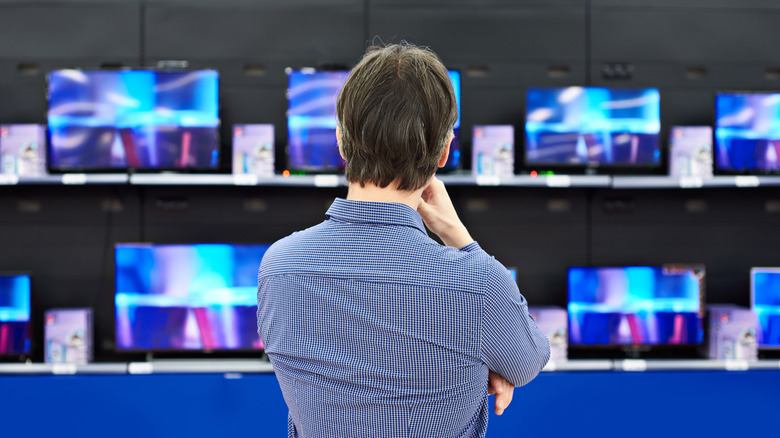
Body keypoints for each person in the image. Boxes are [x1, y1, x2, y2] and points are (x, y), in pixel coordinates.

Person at [257, 42, 550, 438]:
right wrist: (459, 237)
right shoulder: (477, 283)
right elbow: (528, 358)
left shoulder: (279, 267)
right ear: (444, 152)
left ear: (342, 142)